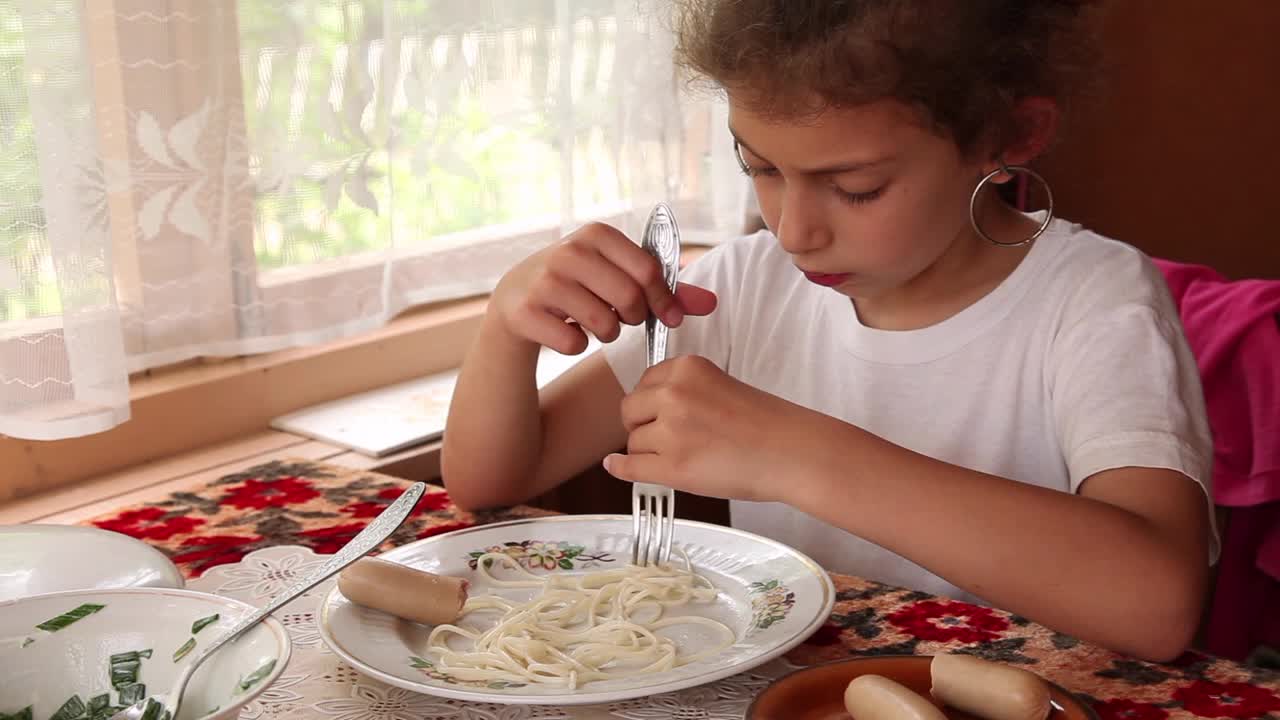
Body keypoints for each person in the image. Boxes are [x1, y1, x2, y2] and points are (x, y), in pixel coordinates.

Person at [442, 0, 1215, 662]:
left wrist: (797, 456)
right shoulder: (747, 283)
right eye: (761, 169)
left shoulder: (1094, 299)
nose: (795, 231)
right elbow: (491, 479)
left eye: (856, 189)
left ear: (1010, 136)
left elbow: (1155, 607)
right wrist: (508, 328)